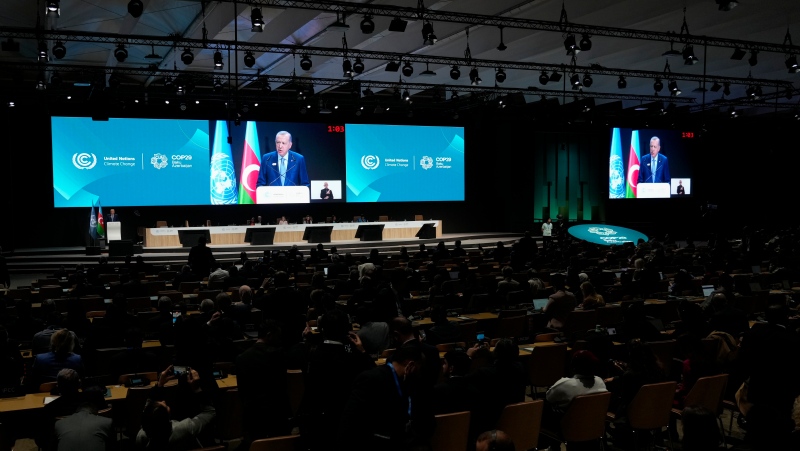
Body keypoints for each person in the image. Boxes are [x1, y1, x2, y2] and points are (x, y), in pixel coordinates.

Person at [136, 366, 216, 450]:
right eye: (165, 407)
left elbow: (147, 409)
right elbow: (210, 412)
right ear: (167, 419)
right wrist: (197, 389)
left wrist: (160, 384)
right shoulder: (185, 428)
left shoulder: (142, 435)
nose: (164, 401)